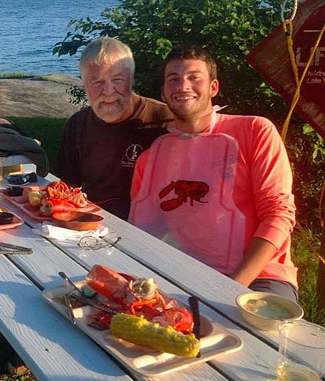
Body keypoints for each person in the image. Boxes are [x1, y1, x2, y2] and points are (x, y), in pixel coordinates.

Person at [129, 44, 298, 301]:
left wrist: (231, 288)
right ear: (163, 93)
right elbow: (146, 227)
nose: (183, 85)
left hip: (261, 278)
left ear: (213, 88)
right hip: (192, 272)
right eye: (173, 79)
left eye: (194, 77)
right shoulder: (149, 159)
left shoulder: (255, 131)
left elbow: (279, 214)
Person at [55, 38, 173, 220]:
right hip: (91, 222)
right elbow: (65, 189)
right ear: (84, 84)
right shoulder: (78, 124)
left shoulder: (165, 122)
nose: (108, 91)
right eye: (97, 82)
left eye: (118, 80)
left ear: (132, 80)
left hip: (149, 229)